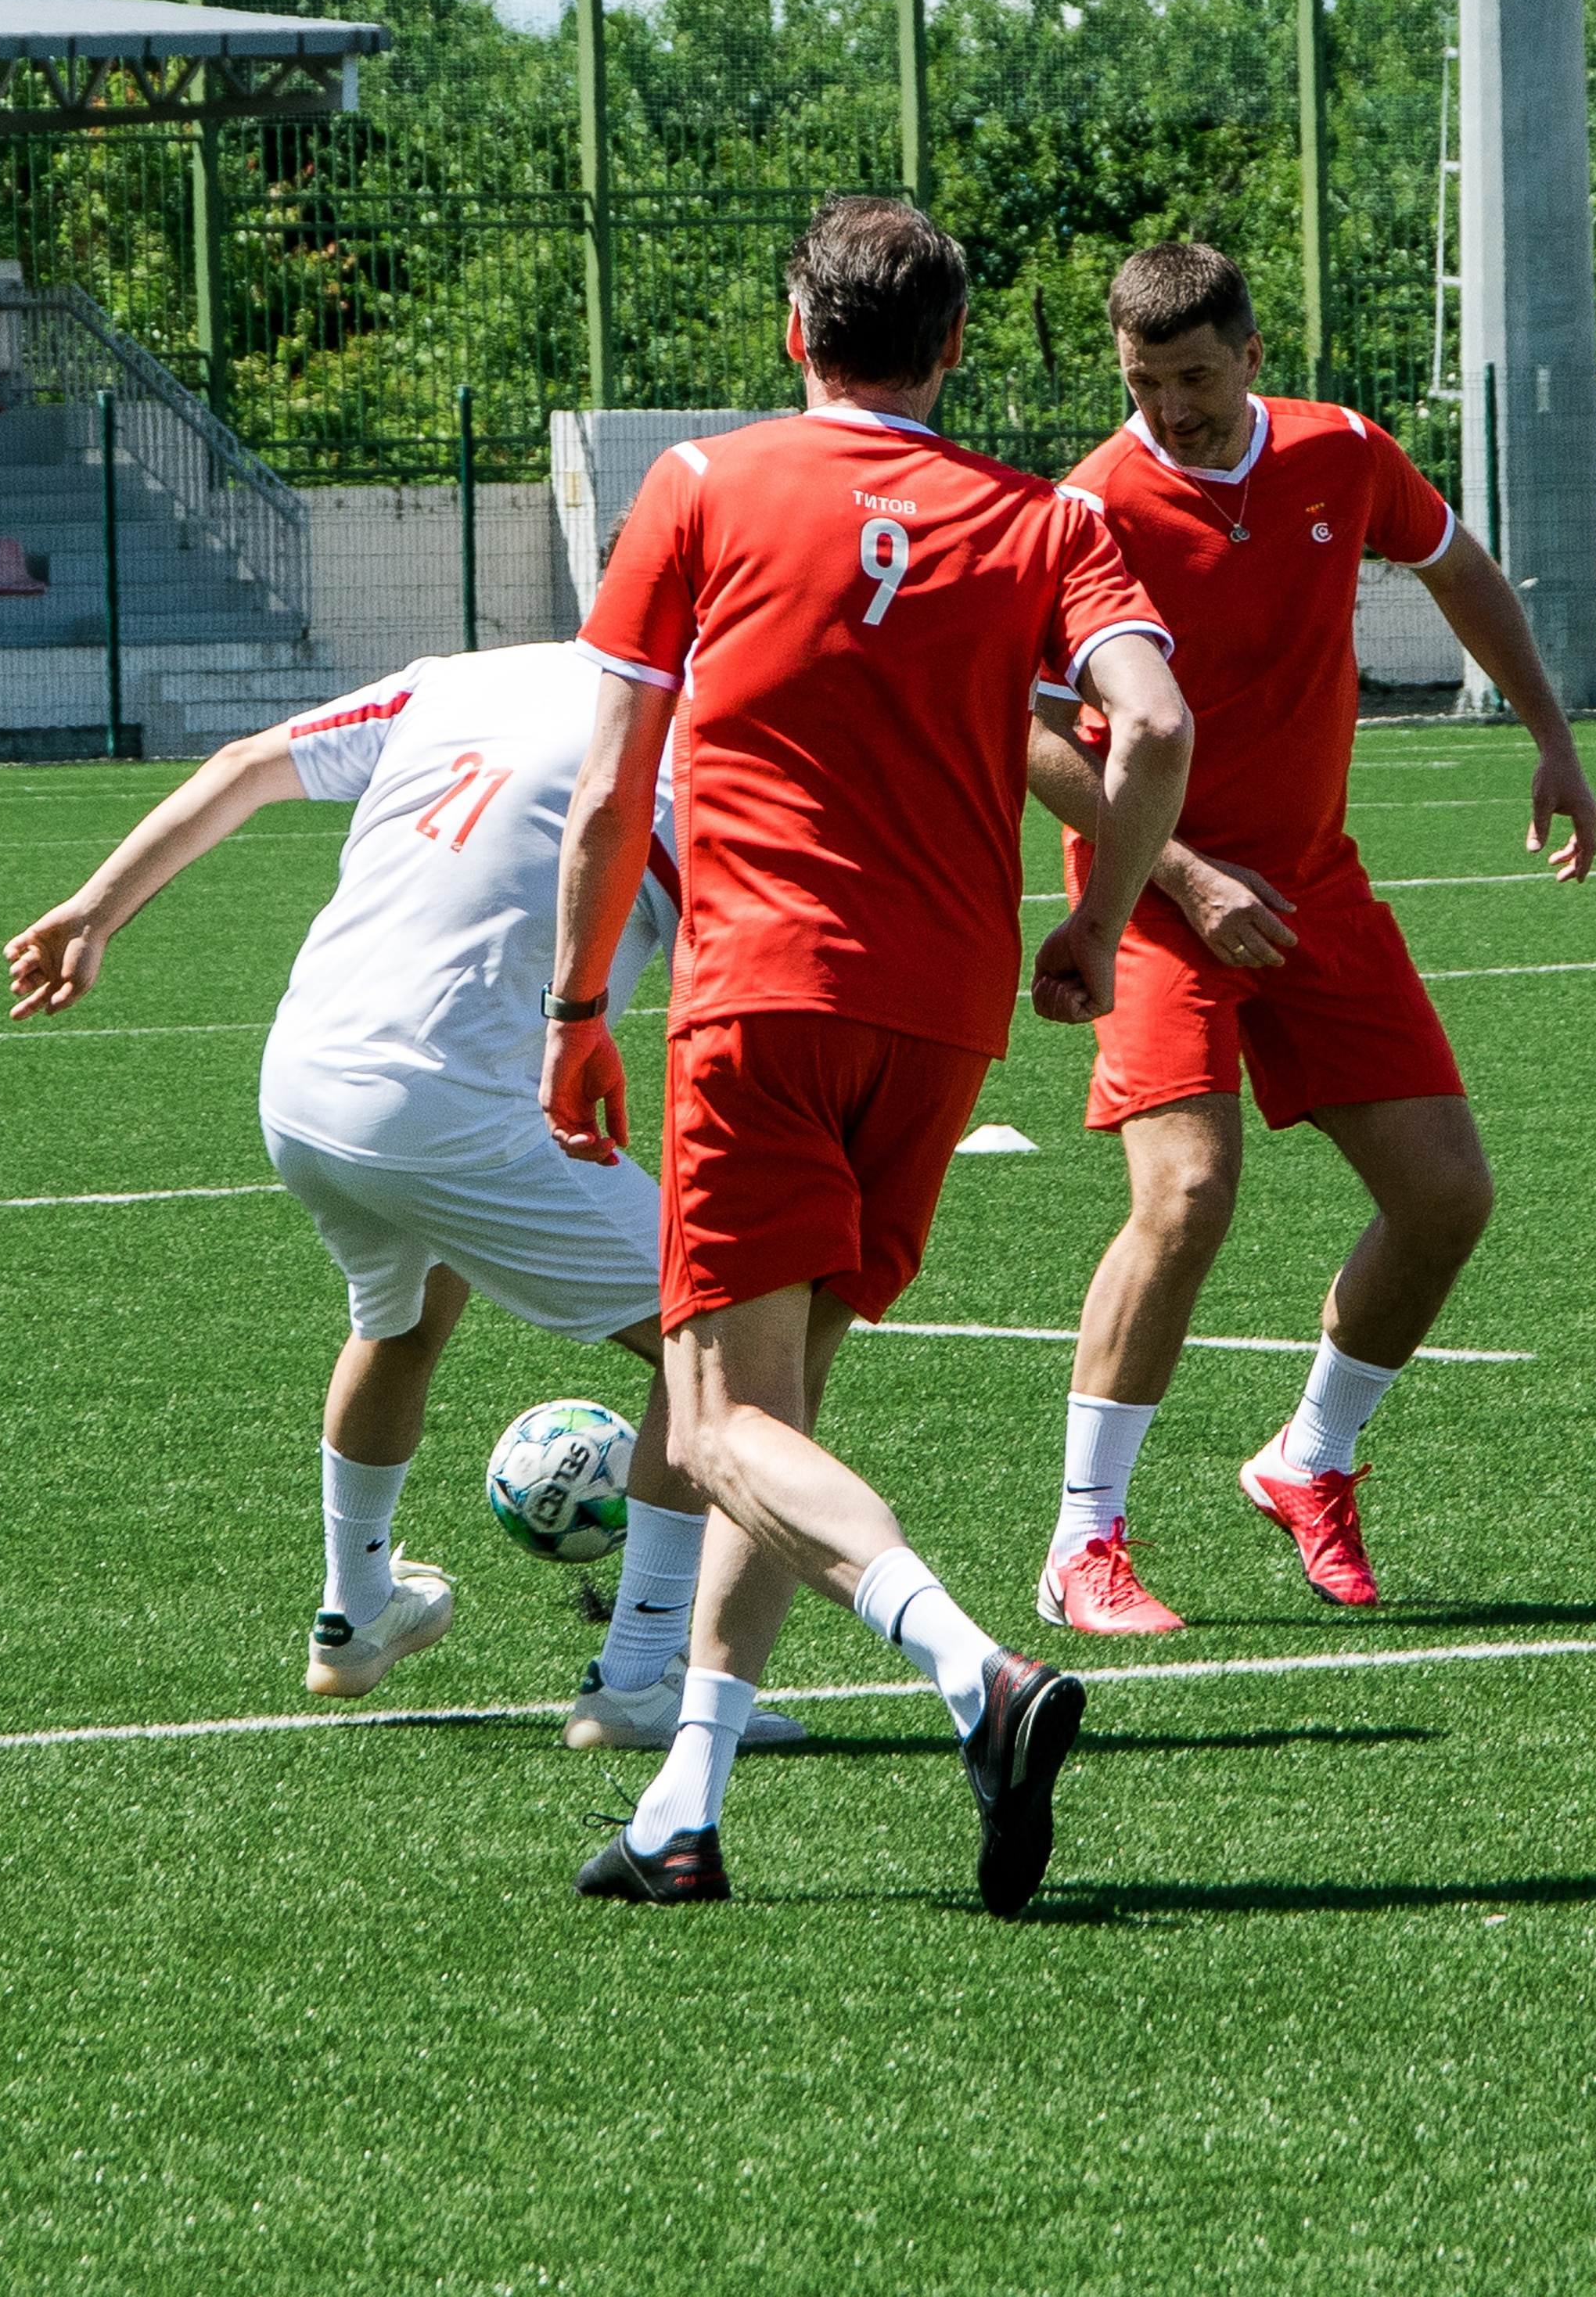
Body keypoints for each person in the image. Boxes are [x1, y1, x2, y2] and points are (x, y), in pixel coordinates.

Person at [541, 193, 1194, 1914]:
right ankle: (685, 1804)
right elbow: (1157, 726)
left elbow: (613, 784)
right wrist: (1099, 921)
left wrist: (572, 1009)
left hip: (759, 994)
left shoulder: (696, 484)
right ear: (953, 345)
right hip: (939, 1014)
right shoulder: (1043, 517)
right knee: (785, 1410)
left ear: (792, 332)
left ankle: (971, 1670)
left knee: (714, 1412)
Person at [2, 640, 803, 1753]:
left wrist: (95, 909)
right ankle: (641, 1677)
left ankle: (355, 1613)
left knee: (403, 1319)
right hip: (455, 1110)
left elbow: (243, 763)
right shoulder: (699, 743)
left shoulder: (461, 677)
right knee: (719, 1347)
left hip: (305, 1085)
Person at [1024, 241, 1596, 1630]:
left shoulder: (1345, 454)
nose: (1174, 408)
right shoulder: (1085, 509)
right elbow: (1027, 738)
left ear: (1255, 358)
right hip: (1155, 900)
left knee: (1448, 1194)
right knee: (1187, 1195)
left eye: (1199, 378)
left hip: (1317, 888)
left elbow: (1462, 573)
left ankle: (1310, 1457)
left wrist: (1551, 740)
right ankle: (1083, 1543)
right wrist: (1183, 872)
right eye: (1147, 383)